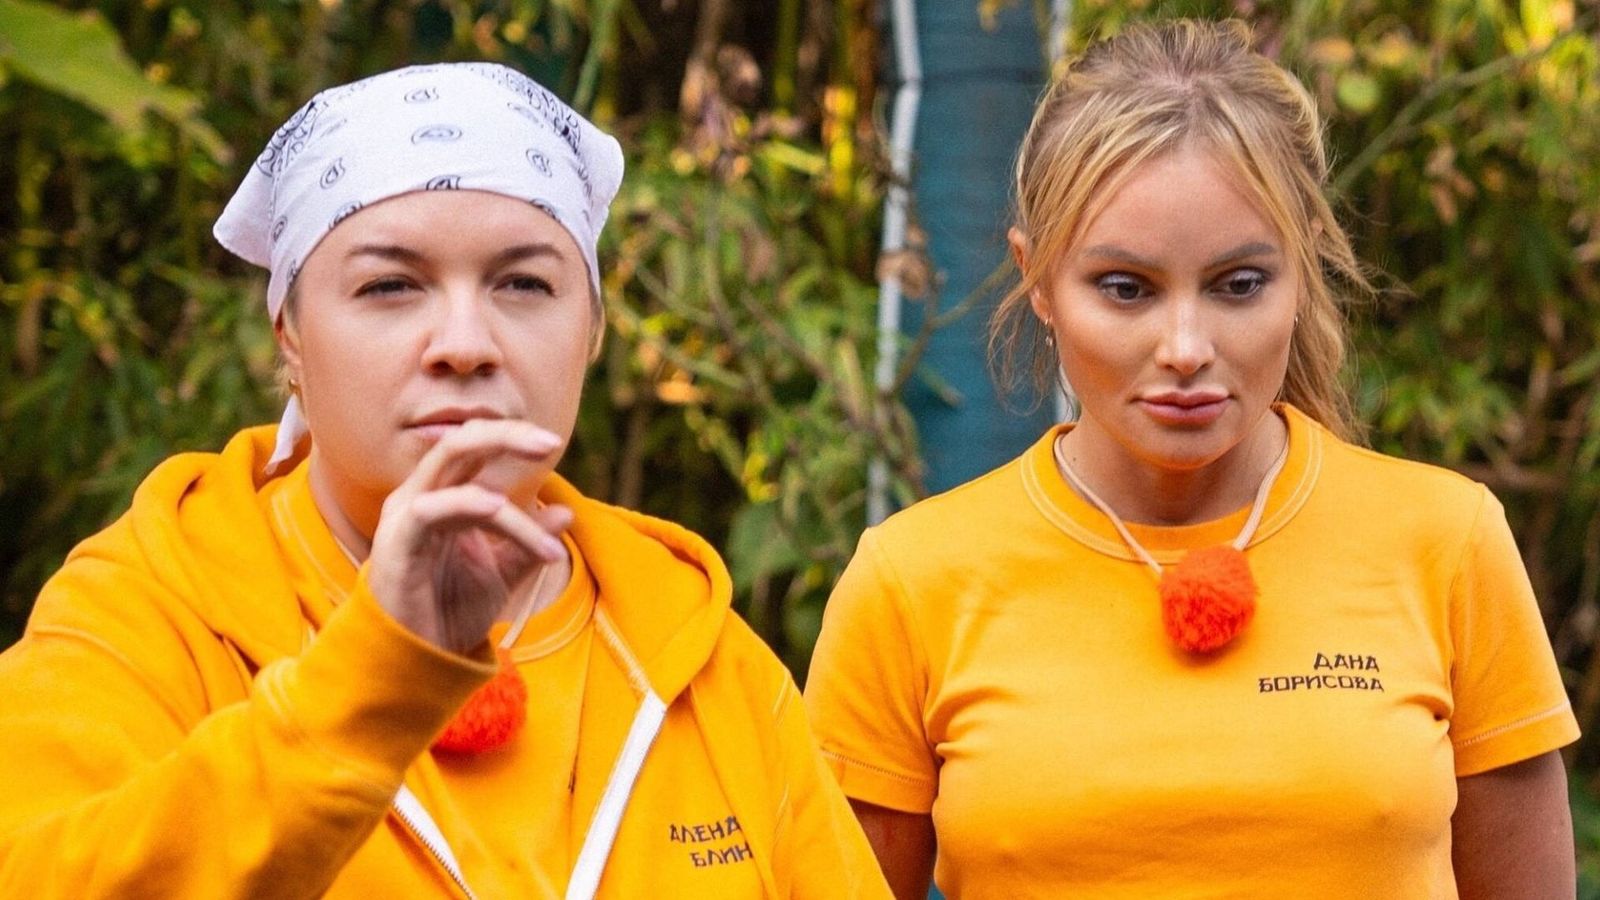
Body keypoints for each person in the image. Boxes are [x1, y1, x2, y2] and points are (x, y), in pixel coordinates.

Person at [0, 63, 890, 899]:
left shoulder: (699, 656)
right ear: (290, 338)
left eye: (524, 284)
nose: (464, 344)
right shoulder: (155, 610)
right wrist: (378, 672)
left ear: (591, 331)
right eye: (391, 286)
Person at [803, 19, 1578, 899]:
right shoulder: (910, 582)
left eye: (1238, 285)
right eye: (1125, 289)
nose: (1185, 348)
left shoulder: (1447, 542)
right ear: (1038, 279)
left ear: (1302, 267)